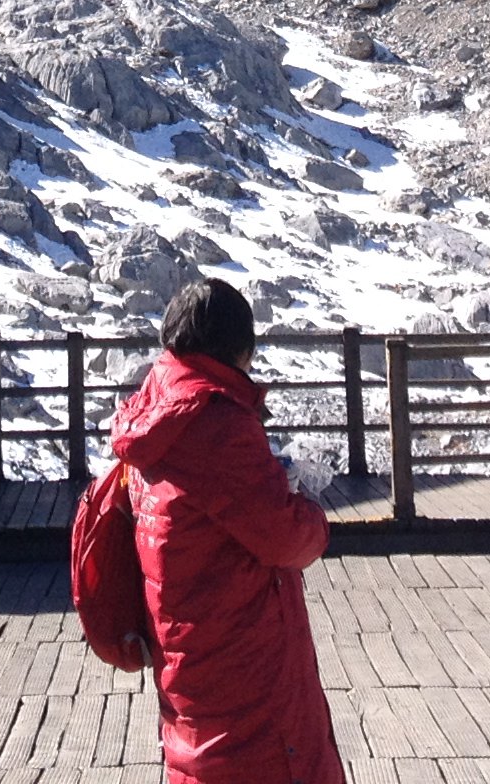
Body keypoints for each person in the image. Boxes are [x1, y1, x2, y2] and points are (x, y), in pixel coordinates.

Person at [108, 279, 344, 784]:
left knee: (202, 756)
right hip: (243, 650)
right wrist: (312, 517)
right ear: (240, 350)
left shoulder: (153, 410)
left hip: (186, 641)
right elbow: (282, 537)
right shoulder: (214, 421)